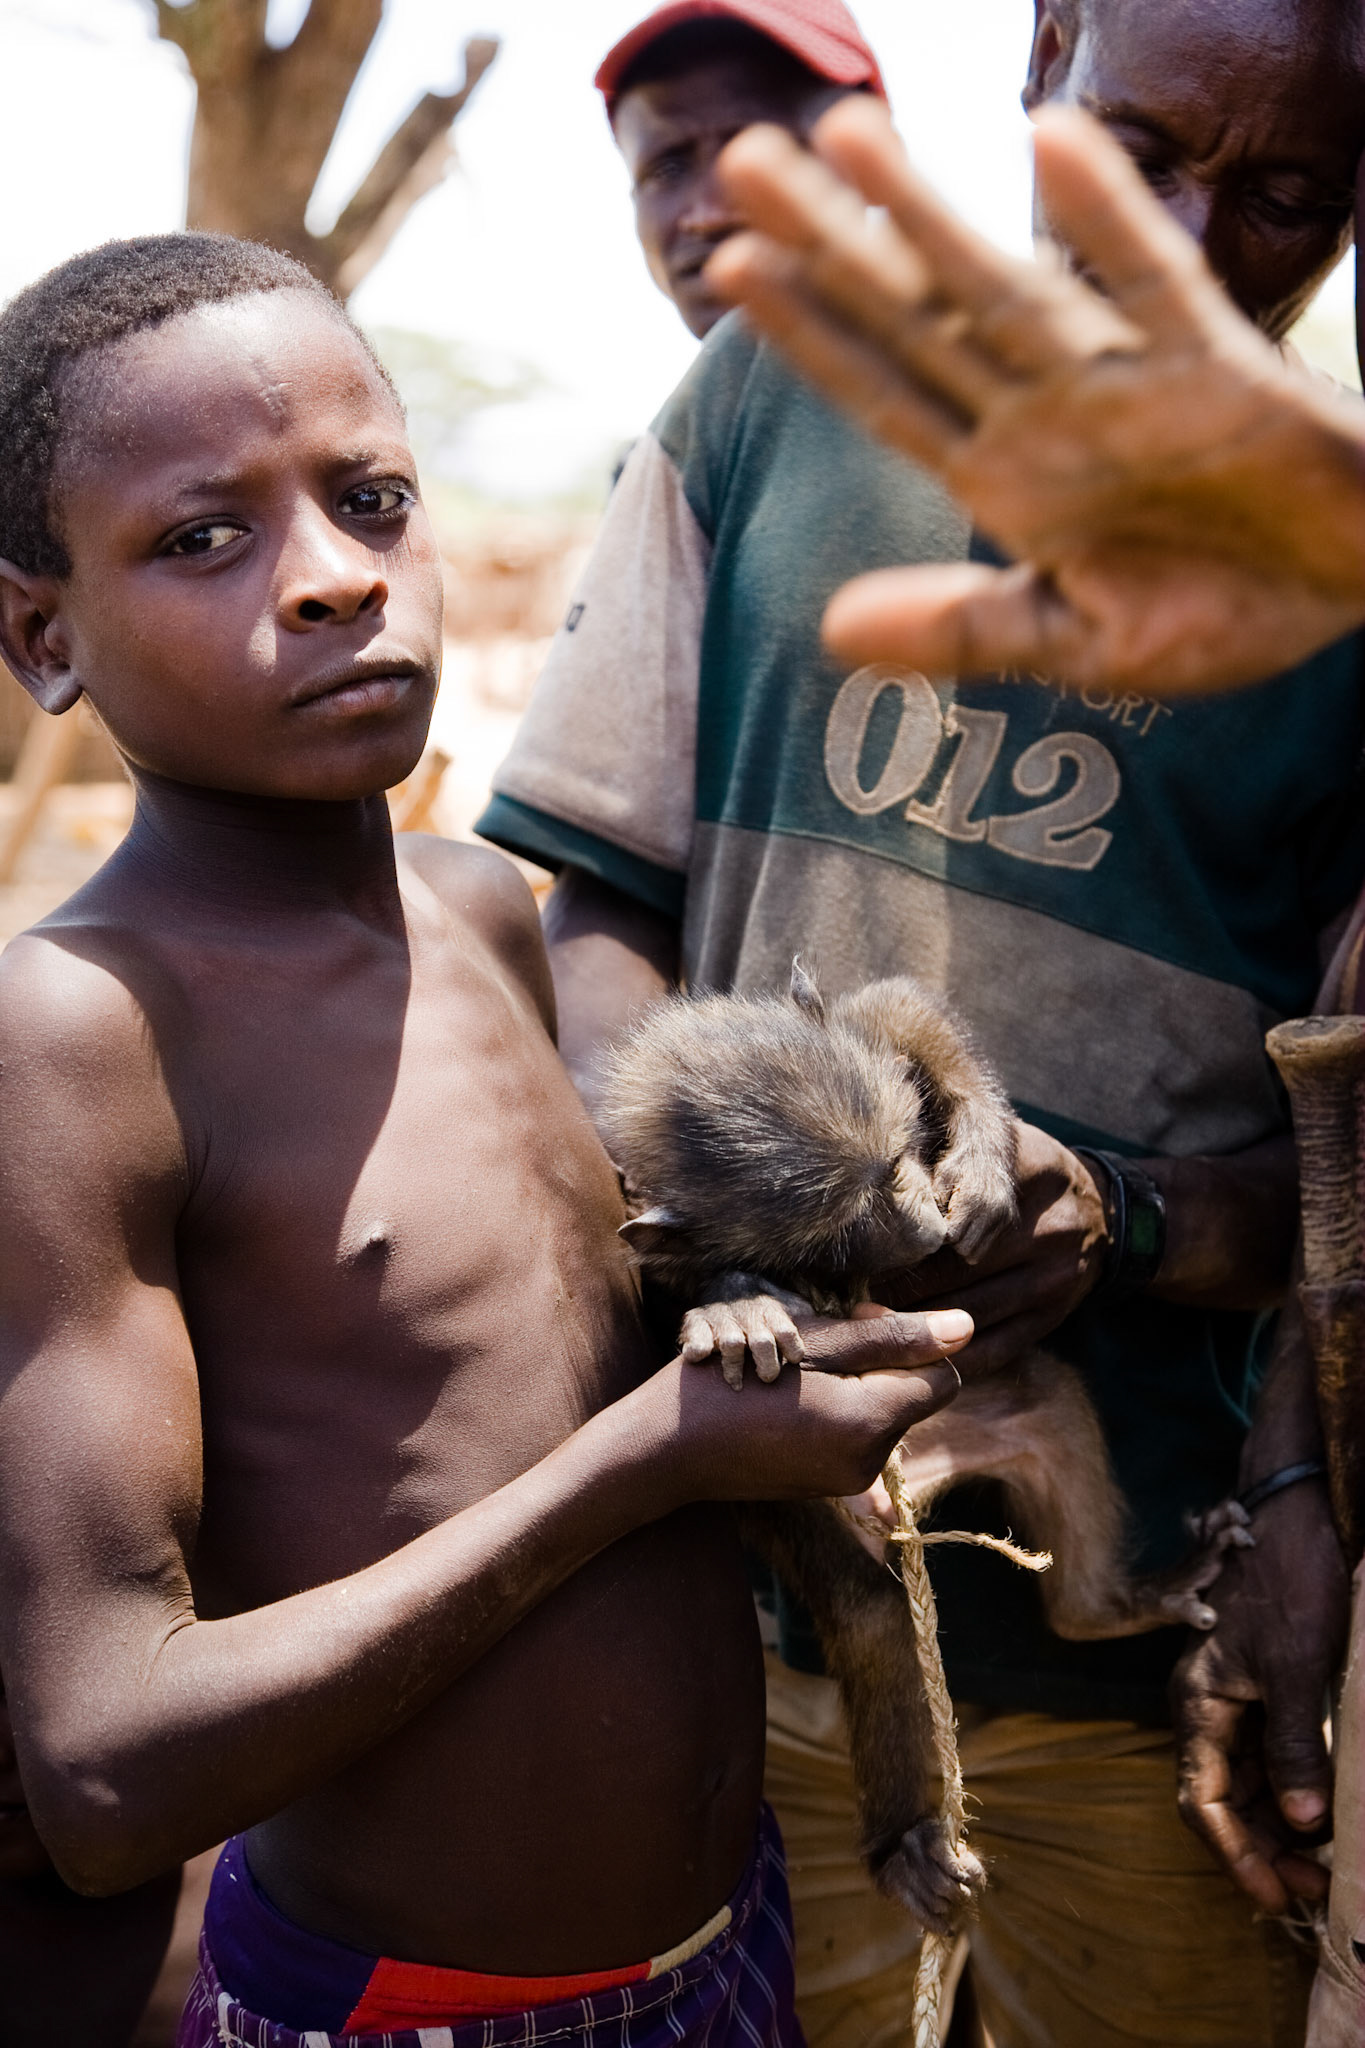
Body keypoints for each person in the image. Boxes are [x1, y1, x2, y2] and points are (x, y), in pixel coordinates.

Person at [475, 2, 1365, 2043]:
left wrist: (1120, 1221)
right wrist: (727, 1214)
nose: (1187, 241)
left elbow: (1340, 1148)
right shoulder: (770, 398)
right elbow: (590, 903)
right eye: (1135, 152)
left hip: (1144, 1658)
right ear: (1044, 43)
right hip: (735, 1601)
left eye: (1292, 200)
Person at [0, 232, 976, 2047]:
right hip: (419, 2009)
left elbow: (505, 1371)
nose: (329, 579)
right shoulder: (81, 1030)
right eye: (203, 536)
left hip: (721, 1931)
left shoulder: (484, 912)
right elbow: (106, 1758)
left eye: (369, 497)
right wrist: (651, 1463)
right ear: (44, 636)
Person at [708, 99, 1365, 694]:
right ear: (1047, 56)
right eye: (1135, 163)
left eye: (1283, 203)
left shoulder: (1336, 533)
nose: (1183, 254)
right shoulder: (776, 361)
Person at [600, 0, 887, 341]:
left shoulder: (958, 372)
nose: (709, 216)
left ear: (876, 162)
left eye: (762, 154)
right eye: (667, 170)